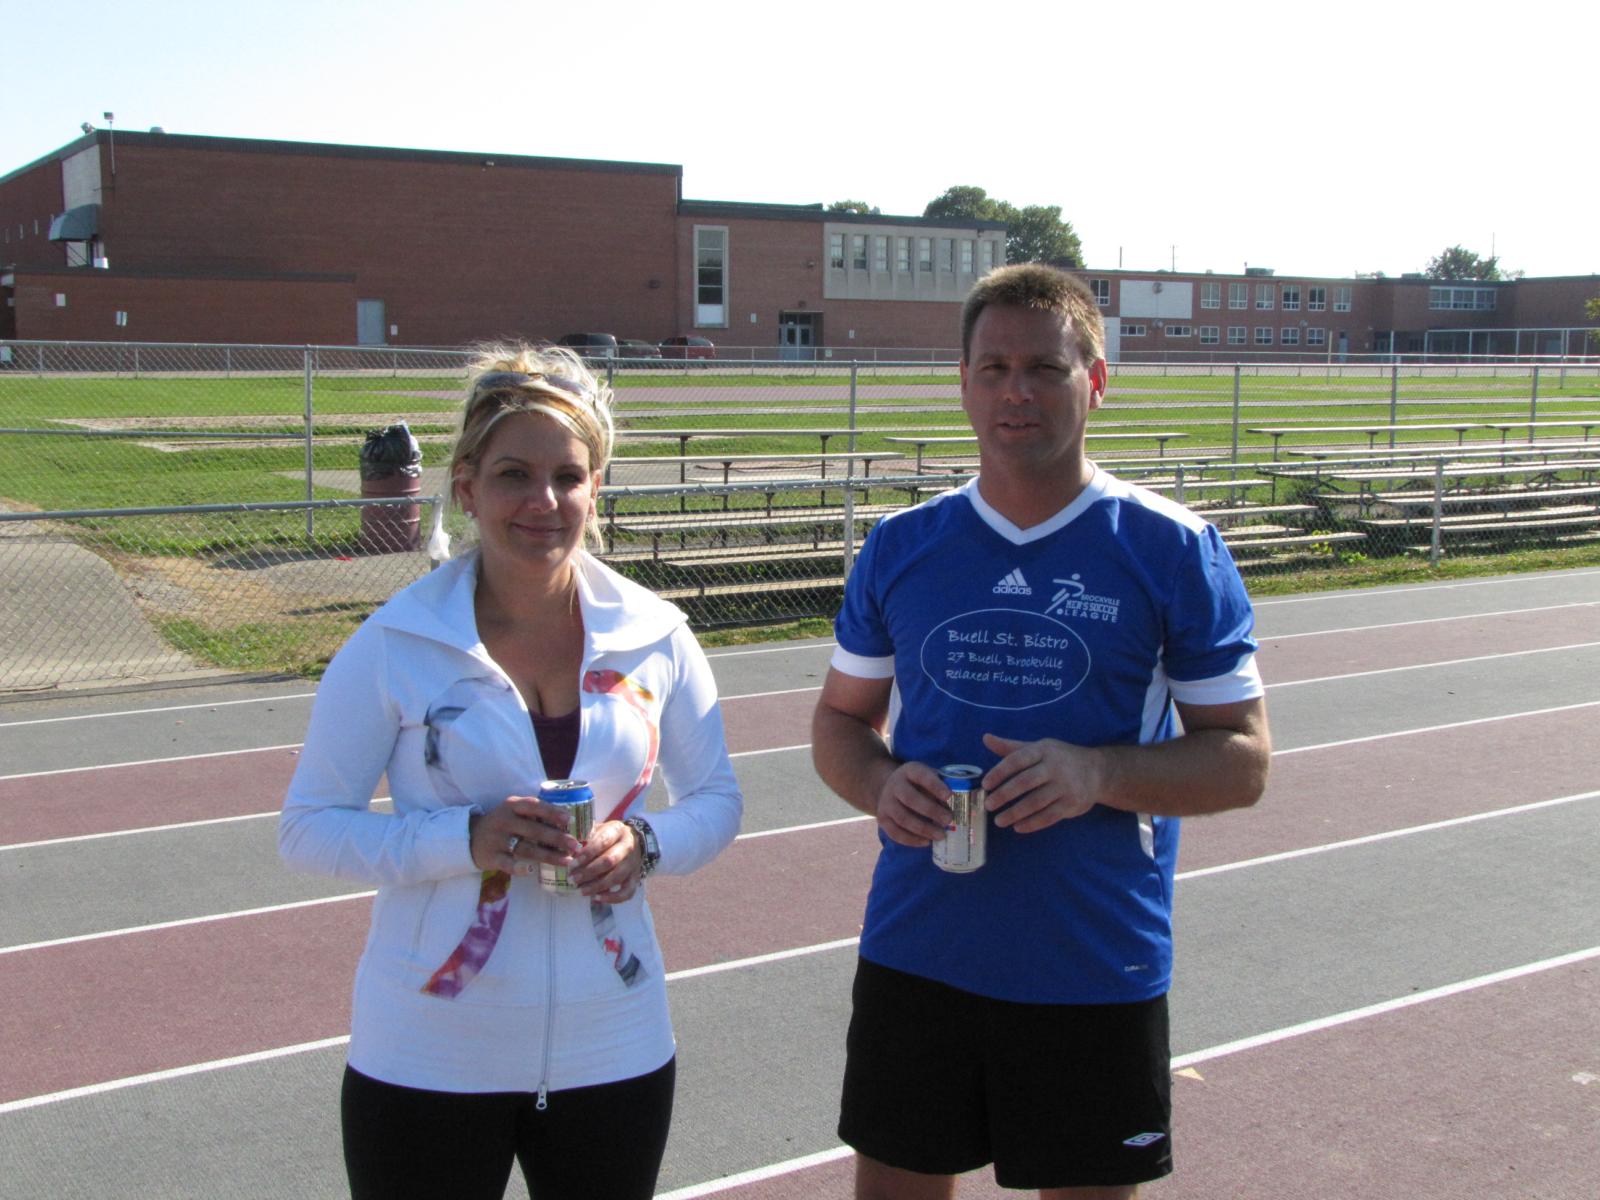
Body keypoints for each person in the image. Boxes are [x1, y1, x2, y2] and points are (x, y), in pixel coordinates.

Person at [811, 264, 1271, 1200]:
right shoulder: (901, 545)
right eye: (994, 368)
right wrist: (879, 783)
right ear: (964, 382)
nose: (1015, 391)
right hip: (918, 947)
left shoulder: (1172, 547)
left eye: (1045, 369)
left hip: (1092, 961)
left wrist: (1098, 774)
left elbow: (1243, 760)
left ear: (1095, 381)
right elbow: (840, 721)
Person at [280, 344, 743, 1200]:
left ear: (596, 488)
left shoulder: (657, 635)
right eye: (513, 475)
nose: (544, 502)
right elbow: (308, 827)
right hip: (428, 1050)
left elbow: (715, 798)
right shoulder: (396, 642)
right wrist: (464, 840)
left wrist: (645, 844)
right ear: (466, 487)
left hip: (615, 1043)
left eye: (568, 477)